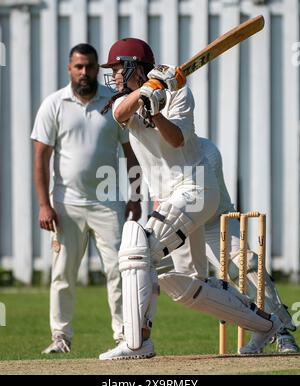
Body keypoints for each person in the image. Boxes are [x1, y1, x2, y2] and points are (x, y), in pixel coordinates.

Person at [98, 37, 283, 360]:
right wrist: (144, 93)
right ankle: (266, 326)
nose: (113, 76)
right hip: (169, 198)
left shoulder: (179, 92)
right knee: (184, 285)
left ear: (134, 67)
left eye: (117, 68)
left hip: (195, 189)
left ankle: (137, 342)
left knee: (136, 246)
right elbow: (120, 114)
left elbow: (176, 139)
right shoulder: (122, 101)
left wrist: (156, 110)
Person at [31, 43, 141, 354]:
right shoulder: (54, 104)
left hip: (109, 202)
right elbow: (40, 157)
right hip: (67, 203)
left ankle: (125, 336)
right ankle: (60, 337)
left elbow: (131, 153)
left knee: (119, 271)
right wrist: (44, 204)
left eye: (90, 66)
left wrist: (135, 196)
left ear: (97, 69)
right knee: (63, 273)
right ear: (70, 69)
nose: (84, 72)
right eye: (79, 67)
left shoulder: (114, 103)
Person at [167, 137, 299, 353]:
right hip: (179, 222)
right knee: (148, 266)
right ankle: (134, 338)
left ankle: (280, 330)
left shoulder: (206, 149)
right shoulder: (155, 154)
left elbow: (198, 197)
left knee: (244, 265)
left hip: (216, 221)